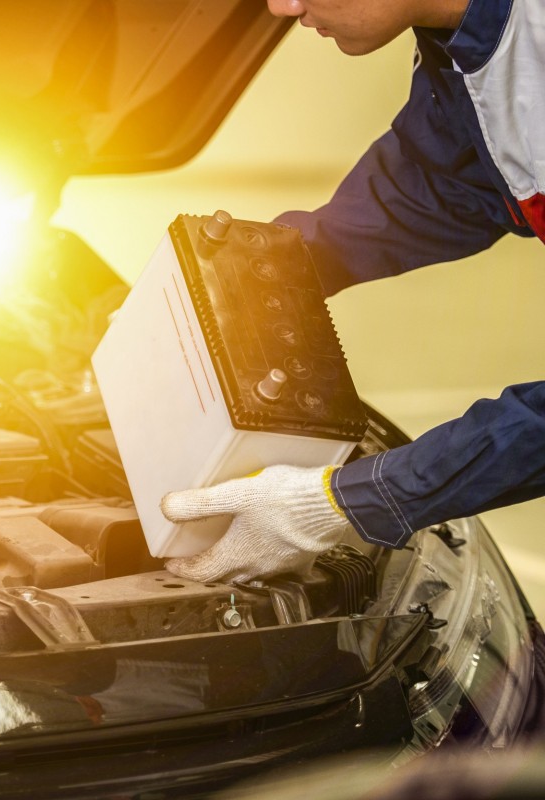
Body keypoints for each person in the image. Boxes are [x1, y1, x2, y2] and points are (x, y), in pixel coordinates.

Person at [162, 0, 545, 583]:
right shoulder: (471, 44)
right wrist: (245, 280)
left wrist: (346, 501)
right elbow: (439, 188)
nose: (281, 6)